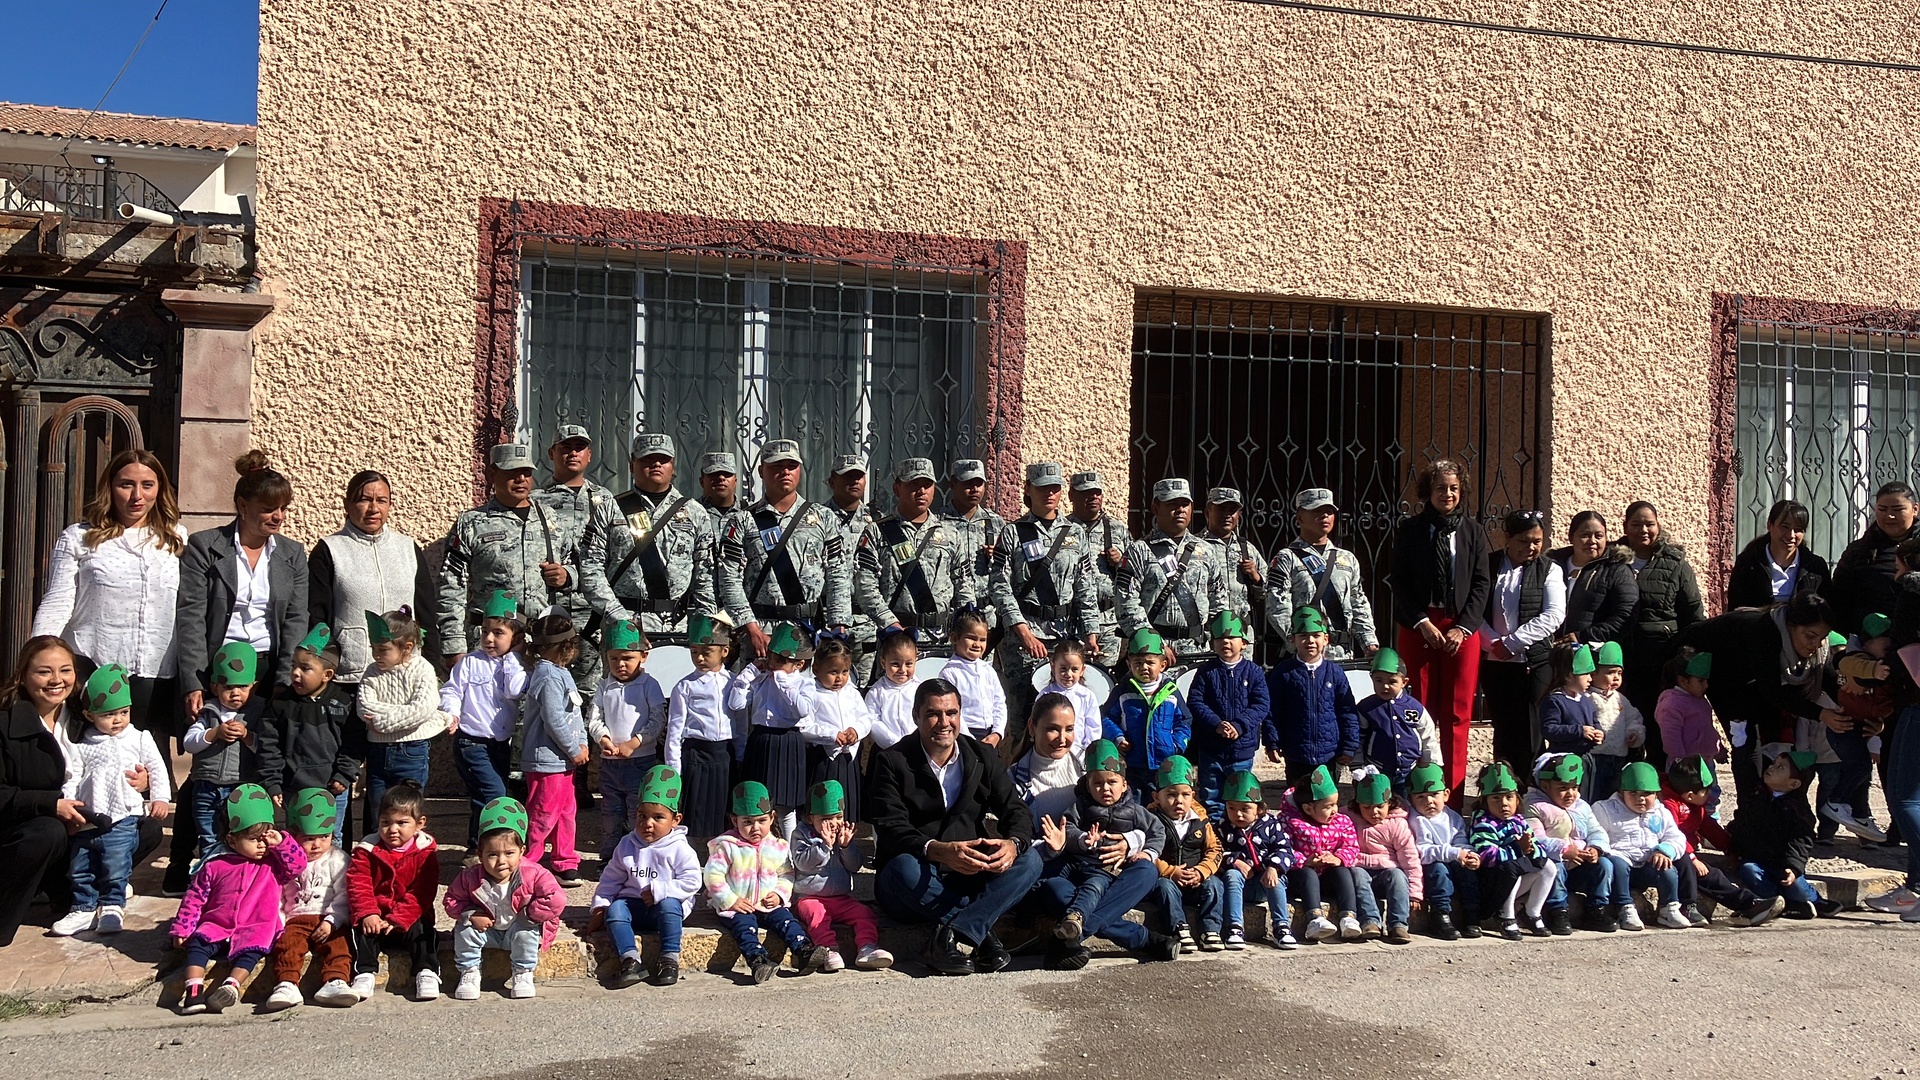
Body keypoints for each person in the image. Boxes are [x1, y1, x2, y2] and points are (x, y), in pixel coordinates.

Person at [173, 451, 309, 892]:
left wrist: (287, 678)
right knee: (208, 764)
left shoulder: (291, 554)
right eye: (269, 507)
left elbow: (295, 620)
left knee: (255, 759)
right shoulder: (204, 546)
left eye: (284, 507)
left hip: (267, 669)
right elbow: (191, 616)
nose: (278, 515)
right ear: (243, 505)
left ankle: (248, 861)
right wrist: (195, 680)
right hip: (219, 667)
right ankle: (184, 860)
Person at [866, 678, 1044, 977]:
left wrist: (1013, 843)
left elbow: (1015, 810)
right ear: (916, 717)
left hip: (970, 872)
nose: (943, 722)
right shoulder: (891, 760)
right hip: (916, 876)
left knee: (1031, 860)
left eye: (951, 713)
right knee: (902, 868)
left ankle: (954, 933)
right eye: (933, 714)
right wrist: (937, 851)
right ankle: (982, 934)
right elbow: (890, 827)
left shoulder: (982, 756)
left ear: (960, 714)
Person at [2, 638, 151, 944]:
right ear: (24, 675)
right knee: (47, 833)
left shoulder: (86, 714)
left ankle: (86, 892)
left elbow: (120, 751)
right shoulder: (6, 723)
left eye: (65, 670)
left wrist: (141, 778)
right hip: (25, 827)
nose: (56, 680)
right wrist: (51, 806)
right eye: (44, 672)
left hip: (81, 822)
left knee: (142, 828)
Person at [32, 448, 187, 743]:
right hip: (94, 664)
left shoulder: (177, 539)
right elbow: (57, 602)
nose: (136, 496)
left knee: (149, 764)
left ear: (160, 489)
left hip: (157, 672)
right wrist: (37, 659)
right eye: (126, 484)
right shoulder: (80, 537)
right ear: (110, 487)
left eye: (147, 485)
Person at [1013, 695, 1173, 967]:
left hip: (1110, 865)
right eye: (1052, 728)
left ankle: (1066, 940)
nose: (1061, 738)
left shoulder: (1087, 764)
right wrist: (1053, 847)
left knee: (1147, 871)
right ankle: (1142, 939)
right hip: (1060, 868)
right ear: (1032, 727)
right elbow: (1019, 844)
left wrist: (1129, 841)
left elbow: (1140, 819)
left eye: (1069, 729)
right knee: (1058, 893)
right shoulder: (1016, 780)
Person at [437, 442, 605, 668]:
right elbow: (451, 587)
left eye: (526, 473)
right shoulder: (471, 523)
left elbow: (580, 564)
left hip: (538, 645)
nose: (521, 479)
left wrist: (567, 575)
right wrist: (453, 647)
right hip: (488, 646)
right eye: (512, 473)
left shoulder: (550, 518)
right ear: (492, 474)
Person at [1675, 591, 1842, 812]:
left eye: (1822, 637)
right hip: (1713, 667)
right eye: (1810, 636)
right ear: (1792, 625)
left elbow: (1829, 679)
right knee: (1745, 741)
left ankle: (1771, 809)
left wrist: (1854, 710)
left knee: (1770, 740)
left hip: (1746, 675)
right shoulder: (1765, 630)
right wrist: (1821, 714)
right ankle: (1750, 813)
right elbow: (1772, 692)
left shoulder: (1817, 646)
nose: (1816, 644)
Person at [1389, 460, 1491, 793]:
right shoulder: (1411, 530)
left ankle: (1455, 795)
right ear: (1427, 492)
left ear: (1461, 491)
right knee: (1420, 709)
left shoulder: (1474, 532)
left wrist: (1463, 628)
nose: (1446, 494)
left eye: (1453, 488)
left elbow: (1480, 584)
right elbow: (1398, 581)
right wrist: (1420, 621)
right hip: (1419, 627)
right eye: (1439, 488)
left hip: (1460, 629)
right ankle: (1422, 791)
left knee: (1458, 712)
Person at [51, 664, 172, 936]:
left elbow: (157, 767)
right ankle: (82, 909)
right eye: (108, 714)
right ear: (89, 714)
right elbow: (72, 776)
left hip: (123, 816)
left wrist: (160, 797)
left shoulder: (140, 738)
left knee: (116, 864)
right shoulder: (82, 746)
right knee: (80, 866)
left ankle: (111, 907)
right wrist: (70, 802)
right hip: (89, 818)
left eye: (123, 712)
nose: (117, 719)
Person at [170, 784, 306, 1014]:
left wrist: (281, 841)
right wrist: (183, 928)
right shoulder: (215, 864)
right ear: (232, 841)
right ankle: (194, 991)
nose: (262, 845)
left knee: (253, 951)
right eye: (254, 840)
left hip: (256, 925)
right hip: (218, 923)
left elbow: (298, 864)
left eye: (265, 839)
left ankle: (231, 985)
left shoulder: (273, 863)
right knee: (198, 944)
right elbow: (195, 898)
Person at [306, 470, 438, 700]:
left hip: (408, 674)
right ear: (347, 504)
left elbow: (426, 613)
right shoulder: (329, 550)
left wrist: (436, 668)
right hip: (351, 679)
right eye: (364, 499)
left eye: (381, 500)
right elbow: (318, 617)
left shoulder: (408, 549)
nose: (373, 508)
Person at [718, 439, 854, 659]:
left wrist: (838, 627)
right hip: (762, 632)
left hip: (809, 631)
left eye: (791, 466)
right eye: (776, 467)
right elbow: (728, 578)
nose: (785, 472)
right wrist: (750, 628)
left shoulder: (823, 518)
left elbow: (837, 574)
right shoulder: (742, 521)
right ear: (761, 471)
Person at [536, 425, 627, 733]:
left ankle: (590, 773)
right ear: (552, 454)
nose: (572, 452)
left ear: (589, 455)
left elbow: (617, 559)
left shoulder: (606, 501)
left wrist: (571, 576)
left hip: (594, 617)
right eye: (565, 447)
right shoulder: (536, 502)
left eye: (579, 447)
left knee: (594, 697)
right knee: (549, 695)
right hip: (551, 616)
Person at [989, 462, 1097, 722]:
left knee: (1065, 716)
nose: (1049, 494)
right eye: (1042, 488)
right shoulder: (1013, 532)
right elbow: (999, 585)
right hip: (1024, 640)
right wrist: (1023, 632)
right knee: (1023, 717)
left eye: (1054, 488)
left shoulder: (1075, 533)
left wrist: (1091, 632)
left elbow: (1085, 584)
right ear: (1028, 489)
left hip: (1065, 637)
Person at [1036, 739, 1164, 947]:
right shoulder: (1081, 806)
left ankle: (1076, 926)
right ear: (1088, 784)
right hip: (1075, 865)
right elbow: (1067, 827)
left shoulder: (1135, 811)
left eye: (1111, 782)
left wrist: (1148, 853)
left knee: (1105, 883)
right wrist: (1083, 839)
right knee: (1052, 888)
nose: (1105, 788)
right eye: (1097, 783)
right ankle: (1143, 939)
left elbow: (1157, 831)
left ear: (1124, 785)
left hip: (1106, 871)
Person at [443, 797, 567, 1001]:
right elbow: (451, 899)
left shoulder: (534, 874)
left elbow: (556, 898)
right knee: (465, 929)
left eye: (509, 853)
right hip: (488, 932)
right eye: (492, 855)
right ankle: (469, 972)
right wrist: (471, 914)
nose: (501, 861)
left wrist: (529, 915)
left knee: (526, 933)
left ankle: (523, 973)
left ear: (522, 852)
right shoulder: (471, 877)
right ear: (480, 854)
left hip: (517, 930)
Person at [705, 780, 828, 983]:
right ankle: (758, 960)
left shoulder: (777, 846)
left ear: (772, 818)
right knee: (745, 928)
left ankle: (804, 951)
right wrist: (730, 900)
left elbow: (787, 874)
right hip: (738, 906)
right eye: (747, 822)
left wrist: (779, 895)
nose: (755, 828)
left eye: (762, 821)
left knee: (787, 921)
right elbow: (712, 876)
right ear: (735, 821)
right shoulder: (726, 847)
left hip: (767, 904)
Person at [855, 458, 974, 668]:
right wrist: (889, 624)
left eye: (927, 485)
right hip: (897, 640)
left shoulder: (950, 534)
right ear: (897, 488)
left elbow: (963, 584)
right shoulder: (878, 532)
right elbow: (865, 585)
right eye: (913, 484)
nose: (921, 491)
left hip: (941, 641)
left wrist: (966, 625)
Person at [593, 764, 702, 988]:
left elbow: (693, 881)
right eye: (642, 816)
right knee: (615, 910)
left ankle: (669, 959)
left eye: (658, 817)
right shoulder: (626, 845)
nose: (648, 823)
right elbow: (610, 880)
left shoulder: (680, 848)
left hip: (665, 909)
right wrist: (600, 906)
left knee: (670, 906)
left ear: (675, 820)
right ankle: (631, 960)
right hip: (634, 906)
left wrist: (660, 891)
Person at [604, 433, 718, 647]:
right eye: (647, 459)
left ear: (673, 466)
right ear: (632, 465)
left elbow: (705, 577)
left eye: (663, 459)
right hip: (624, 623)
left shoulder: (695, 512)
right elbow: (591, 568)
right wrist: (618, 617)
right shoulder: (611, 509)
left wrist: (704, 626)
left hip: (678, 626)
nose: (656, 464)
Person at [439, 592, 528, 852]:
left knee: (482, 798)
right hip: (471, 742)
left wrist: (513, 658)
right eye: (486, 631)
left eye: (498, 633)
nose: (489, 638)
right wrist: (452, 713)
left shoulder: (519, 665)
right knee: (495, 794)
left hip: (499, 744)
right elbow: (452, 690)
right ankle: (494, 845)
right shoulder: (469, 662)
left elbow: (514, 690)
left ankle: (476, 846)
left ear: (516, 639)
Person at [1617, 500, 1708, 756]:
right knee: (1626, 724)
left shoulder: (1675, 563)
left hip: (1662, 658)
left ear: (1658, 526)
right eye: (1636, 524)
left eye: (1649, 524)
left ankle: (1660, 785)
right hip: (1622, 658)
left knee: (1659, 726)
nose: (1643, 530)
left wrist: (1690, 656)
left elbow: (1692, 612)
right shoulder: (1612, 560)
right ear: (1625, 526)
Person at [255, 626, 359, 844]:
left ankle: (333, 878)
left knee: (331, 838)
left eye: (305, 668)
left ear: (327, 675)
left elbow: (354, 743)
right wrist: (273, 782)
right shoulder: (281, 705)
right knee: (295, 839)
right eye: (293, 666)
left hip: (332, 789)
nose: (295, 673)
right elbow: (268, 747)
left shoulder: (343, 703)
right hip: (293, 788)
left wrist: (344, 775)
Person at [1480, 510, 1566, 771]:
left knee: (1531, 728)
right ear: (1507, 538)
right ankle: (1504, 785)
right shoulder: (1487, 565)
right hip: (1495, 660)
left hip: (1534, 662)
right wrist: (1493, 642)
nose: (1531, 547)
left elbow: (1554, 615)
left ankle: (1531, 785)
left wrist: (1513, 643)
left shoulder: (1549, 569)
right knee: (1503, 725)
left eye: (1537, 541)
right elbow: (1472, 609)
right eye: (1524, 541)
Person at [357, 607, 453, 839]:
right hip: (379, 752)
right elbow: (364, 707)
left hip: (411, 753)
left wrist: (381, 721)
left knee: (407, 811)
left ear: (406, 648)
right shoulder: (372, 672)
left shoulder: (422, 670)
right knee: (378, 809)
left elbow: (423, 708)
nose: (376, 655)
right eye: (373, 649)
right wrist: (405, 714)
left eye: (383, 650)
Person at [263, 788, 357, 1010]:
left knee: (339, 943)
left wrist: (333, 920)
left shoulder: (338, 859)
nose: (317, 845)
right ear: (294, 837)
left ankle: (336, 981)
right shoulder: (285, 863)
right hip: (296, 918)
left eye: (325, 837)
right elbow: (277, 894)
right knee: (288, 945)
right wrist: (279, 921)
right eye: (309, 839)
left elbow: (345, 894)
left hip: (327, 917)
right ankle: (286, 983)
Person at [346, 782, 442, 1002]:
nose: (392, 829)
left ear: (420, 824)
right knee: (360, 930)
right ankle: (365, 972)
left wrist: (400, 918)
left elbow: (423, 891)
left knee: (424, 932)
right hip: (377, 918)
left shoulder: (425, 853)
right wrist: (368, 912)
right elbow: (358, 884)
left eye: (402, 823)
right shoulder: (367, 850)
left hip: (409, 918)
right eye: (385, 822)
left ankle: (426, 972)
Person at [1117, 478, 1228, 664]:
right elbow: (1126, 603)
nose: (1180, 510)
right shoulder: (1138, 551)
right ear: (1156, 508)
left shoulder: (1207, 551)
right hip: (1152, 654)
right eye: (1172, 504)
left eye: (1185, 504)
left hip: (1197, 651)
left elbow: (1219, 600)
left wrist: (1222, 639)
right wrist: (1153, 643)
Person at [790, 779, 892, 972]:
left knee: (865, 914)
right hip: (810, 897)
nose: (833, 824)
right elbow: (802, 862)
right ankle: (828, 950)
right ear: (811, 818)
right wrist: (824, 846)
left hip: (841, 898)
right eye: (825, 819)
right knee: (817, 916)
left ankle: (867, 947)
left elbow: (855, 866)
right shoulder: (802, 834)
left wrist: (846, 846)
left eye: (837, 817)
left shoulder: (842, 835)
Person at [1266, 488, 1378, 661]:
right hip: (1305, 655)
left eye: (1329, 512)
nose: (1325, 516)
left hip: (1342, 655)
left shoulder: (1347, 559)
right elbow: (1277, 606)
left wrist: (1369, 643)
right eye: (1317, 511)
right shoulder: (1286, 558)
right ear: (1300, 517)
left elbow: (1358, 602)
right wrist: (1296, 642)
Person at [521, 609, 590, 885]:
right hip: (547, 760)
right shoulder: (548, 677)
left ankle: (564, 859)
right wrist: (574, 749)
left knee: (565, 812)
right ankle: (530, 861)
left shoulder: (561, 673)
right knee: (542, 812)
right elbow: (553, 720)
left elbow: (574, 713)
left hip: (563, 762)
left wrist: (583, 743)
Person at [1660, 756, 1771, 927]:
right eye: (1706, 791)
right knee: (1709, 876)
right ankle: (1747, 904)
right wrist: (1692, 858)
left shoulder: (1694, 805)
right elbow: (1672, 834)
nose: (1709, 794)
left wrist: (1731, 848)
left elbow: (1709, 828)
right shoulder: (1668, 805)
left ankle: (1750, 904)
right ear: (1690, 795)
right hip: (1672, 853)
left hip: (1685, 852)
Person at [588, 619, 668, 857]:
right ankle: (609, 857)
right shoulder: (605, 686)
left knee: (638, 812)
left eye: (627, 658)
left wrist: (635, 742)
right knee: (610, 814)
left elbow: (657, 719)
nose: (620, 664)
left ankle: (638, 856)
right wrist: (603, 739)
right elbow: (594, 718)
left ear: (642, 656)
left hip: (640, 762)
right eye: (614, 659)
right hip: (610, 763)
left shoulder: (649, 685)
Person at [728, 623, 815, 836]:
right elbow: (736, 703)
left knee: (785, 806)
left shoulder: (804, 684)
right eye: (773, 656)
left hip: (787, 741)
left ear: (799, 664)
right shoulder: (761, 679)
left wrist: (783, 681)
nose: (774, 663)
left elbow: (802, 710)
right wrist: (749, 674)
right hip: (761, 739)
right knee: (757, 799)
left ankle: (790, 853)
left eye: (782, 660)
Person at [181, 642, 266, 858]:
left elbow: (265, 749)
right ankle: (210, 878)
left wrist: (247, 735)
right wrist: (214, 733)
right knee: (209, 837)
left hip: (241, 787)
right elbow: (189, 743)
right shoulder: (208, 712)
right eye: (228, 687)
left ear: (253, 686)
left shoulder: (258, 713)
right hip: (206, 787)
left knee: (241, 837)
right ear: (214, 687)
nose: (235, 693)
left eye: (243, 687)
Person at [1727, 748, 1831, 921]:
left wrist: (1794, 868)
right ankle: (1778, 903)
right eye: (1774, 764)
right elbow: (1743, 825)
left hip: (1783, 864)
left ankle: (1816, 901)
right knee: (1749, 871)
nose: (1772, 768)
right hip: (1757, 859)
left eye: (1780, 768)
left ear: (1793, 784)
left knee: (1796, 884)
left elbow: (1801, 841)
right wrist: (1734, 850)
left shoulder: (1797, 809)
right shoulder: (1756, 794)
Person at [1523, 753, 1623, 934]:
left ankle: (1596, 909)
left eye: (1575, 788)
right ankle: (1558, 911)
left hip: (1579, 863)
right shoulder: (1534, 807)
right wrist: (1564, 850)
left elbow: (1596, 830)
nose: (1571, 794)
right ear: (1545, 786)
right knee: (1556, 867)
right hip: (1557, 860)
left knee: (1604, 865)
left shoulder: (1581, 807)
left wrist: (1595, 848)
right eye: (1562, 788)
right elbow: (1536, 838)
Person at [1186, 610, 1271, 820]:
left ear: (1243, 642)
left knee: (1239, 797)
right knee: (1211, 795)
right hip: (1211, 749)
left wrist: (1239, 725)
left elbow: (1261, 704)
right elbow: (1196, 702)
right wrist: (1216, 724)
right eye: (1220, 638)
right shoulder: (1206, 672)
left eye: (1231, 637)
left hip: (1241, 750)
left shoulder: (1254, 672)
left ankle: (1237, 836)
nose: (1226, 642)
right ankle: (1215, 835)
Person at [1262, 607, 1360, 785]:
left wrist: (1350, 745)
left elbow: (1347, 711)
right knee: (1298, 801)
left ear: (1326, 639)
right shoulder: (1283, 673)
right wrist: (1272, 742)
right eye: (1303, 636)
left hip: (1329, 752)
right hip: (1296, 752)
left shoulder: (1335, 673)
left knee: (1326, 803)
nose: (1310, 641)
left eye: (1316, 635)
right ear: (1293, 640)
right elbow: (1272, 711)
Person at [1592, 761, 1692, 930]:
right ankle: (1625, 907)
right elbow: (1597, 835)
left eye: (1647, 794)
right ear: (1621, 792)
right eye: (1633, 793)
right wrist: (1607, 852)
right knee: (1617, 863)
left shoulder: (1661, 812)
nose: (1640, 799)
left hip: (1647, 863)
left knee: (1668, 870)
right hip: (1621, 863)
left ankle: (1669, 908)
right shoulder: (1605, 809)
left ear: (1656, 794)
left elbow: (1676, 837)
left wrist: (1664, 850)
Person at [661, 615, 735, 840]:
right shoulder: (685, 686)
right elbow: (675, 729)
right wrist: (674, 767)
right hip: (696, 754)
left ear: (724, 650)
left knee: (721, 808)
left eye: (706, 652)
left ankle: (720, 856)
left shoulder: (733, 682)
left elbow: (738, 721)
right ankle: (689, 854)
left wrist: (739, 752)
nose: (699, 658)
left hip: (723, 754)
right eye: (694, 652)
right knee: (695, 808)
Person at [1469, 762, 1557, 940]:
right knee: (1512, 866)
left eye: (1509, 797)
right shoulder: (1483, 823)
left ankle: (1532, 912)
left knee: (1548, 866)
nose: (1504, 804)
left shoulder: (1519, 821)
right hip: (1492, 883)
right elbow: (1487, 856)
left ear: (1517, 799)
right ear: (1484, 800)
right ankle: (1505, 915)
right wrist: (1518, 848)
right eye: (1496, 798)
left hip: (1512, 881)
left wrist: (1531, 850)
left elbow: (1537, 847)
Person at [1146, 755, 1224, 951]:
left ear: (1193, 795)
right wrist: (1171, 871)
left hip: (1195, 880)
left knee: (1215, 884)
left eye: (1185, 795)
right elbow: (1145, 853)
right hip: (1168, 880)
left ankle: (1210, 930)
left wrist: (1201, 871)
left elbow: (1215, 849)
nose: (1179, 801)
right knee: (1164, 887)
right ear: (1157, 797)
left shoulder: (1200, 820)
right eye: (1171, 795)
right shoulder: (1151, 820)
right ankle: (1179, 929)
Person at [1103, 629, 1192, 798]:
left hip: (1164, 765)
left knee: (1161, 805)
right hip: (1133, 764)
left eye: (1150, 663)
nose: (1143, 667)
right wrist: (1118, 738)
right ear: (1129, 664)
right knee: (1134, 806)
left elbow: (1184, 720)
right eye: (1137, 663)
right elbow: (1106, 717)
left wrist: (1177, 745)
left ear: (1162, 664)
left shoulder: (1170, 692)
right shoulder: (1122, 692)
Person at [1281, 764, 1364, 942]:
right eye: (1328, 806)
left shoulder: (1342, 821)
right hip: (1299, 877)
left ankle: (1348, 917)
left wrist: (1338, 858)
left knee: (1342, 872)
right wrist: (1305, 861)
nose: (1335, 810)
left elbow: (1351, 846)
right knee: (1307, 874)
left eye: (1336, 804)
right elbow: (1283, 849)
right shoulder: (1289, 821)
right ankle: (1315, 918)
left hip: (1326, 876)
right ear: (1308, 808)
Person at [1216, 769, 1296, 948]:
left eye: (1245, 809)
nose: (1238, 814)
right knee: (1232, 875)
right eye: (1231, 808)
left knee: (1278, 879)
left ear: (1259, 809)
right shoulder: (1222, 827)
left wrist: (1273, 867)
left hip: (1264, 884)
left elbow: (1285, 850)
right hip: (1237, 887)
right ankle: (1234, 927)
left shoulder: (1271, 825)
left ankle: (1281, 926)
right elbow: (1215, 852)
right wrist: (1234, 861)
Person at [1830, 481, 1920, 634]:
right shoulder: (1858, 551)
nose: (1890, 516)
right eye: (1882, 509)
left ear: (1915, 510)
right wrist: (1867, 633)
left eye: (1898, 509)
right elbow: (1840, 603)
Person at [1066, 470, 1134, 669]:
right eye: (1086, 493)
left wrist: (1120, 562)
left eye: (1097, 493)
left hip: (1108, 622)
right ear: (1072, 496)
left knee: (1104, 679)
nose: (1093, 497)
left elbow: (1137, 575)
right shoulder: (1063, 529)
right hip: (1072, 622)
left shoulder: (1117, 529)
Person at [1405, 761, 1480, 939]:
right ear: (1411, 800)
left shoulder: (1452, 817)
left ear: (1445, 795)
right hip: (1429, 865)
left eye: (1434, 795)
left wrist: (1469, 854)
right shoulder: (1416, 820)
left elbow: (1460, 840)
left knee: (1468, 873)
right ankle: (1441, 914)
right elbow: (1422, 852)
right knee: (1439, 871)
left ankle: (1472, 913)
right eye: (1421, 797)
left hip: (1454, 859)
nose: (1428, 801)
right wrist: (1453, 853)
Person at [799, 638, 870, 825]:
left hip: (848, 761)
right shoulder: (811, 692)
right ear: (816, 670)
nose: (840, 678)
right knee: (824, 807)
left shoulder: (852, 693)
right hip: (822, 759)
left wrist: (856, 731)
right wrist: (831, 735)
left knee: (847, 809)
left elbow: (865, 718)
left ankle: (846, 847)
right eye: (833, 672)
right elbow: (804, 727)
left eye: (845, 672)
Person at [941, 458, 1007, 650]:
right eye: (968, 484)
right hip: (952, 617)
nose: (974, 489)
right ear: (953, 484)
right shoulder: (939, 523)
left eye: (979, 484)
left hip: (987, 617)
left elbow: (1010, 572)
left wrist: (997, 558)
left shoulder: (996, 523)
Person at [1354, 648, 1441, 793]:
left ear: (1404, 682)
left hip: (1409, 772)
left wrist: (1432, 765)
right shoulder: (1366, 708)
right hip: (1377, 770)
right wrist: (1357, 766)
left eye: (1392, 681)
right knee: (1377, 805)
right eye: (1379, 680)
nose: (1385, 686)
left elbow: (1428, 736)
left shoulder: (1414, 708)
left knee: (1406, 808)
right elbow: (1358, 738)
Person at [824, 454, 879, 682]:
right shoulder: (816, 518)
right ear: (832, 481)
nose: (854, 482)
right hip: (829, 623)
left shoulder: (877, 521)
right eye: (847, 477)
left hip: (867, 622)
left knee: (866, 691)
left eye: (859, 477)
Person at [1347, 770, 1418, 944]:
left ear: (1390, 803)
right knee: (1357, 874)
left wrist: (1415, 893)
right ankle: (1370, 921)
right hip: (1360, 869)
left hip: (1386, 871)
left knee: (1398, 876)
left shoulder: (1397, 824)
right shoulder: (1348, 818)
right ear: (1358, 805)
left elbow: (1410, 858)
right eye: (1367, 808)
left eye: (1380, 806)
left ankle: (1398, 924)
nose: (1374, 812)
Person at [1549, 511, 1638, 648]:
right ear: (1571, 537)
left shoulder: (1616, 570)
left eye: (1599, 536)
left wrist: (1583, 636)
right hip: (1550, 653)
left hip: (1593, 654)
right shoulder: (1552, 566)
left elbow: (1625, 616)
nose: (1592, 541)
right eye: (1585, 535)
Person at [1727, 499, 1830, 610]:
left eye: (1798, 530)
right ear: (1770, 525)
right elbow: (1735, 612)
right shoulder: (1748, 565)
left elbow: (1827, 614)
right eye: (1785, 527)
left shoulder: (1816, 568)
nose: (1791, 535)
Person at [1197, 487, 1265, 648]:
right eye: (1221, 509)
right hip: (1207, 636)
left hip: (1240, 636)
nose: (1227, 515)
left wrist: (1256, 577)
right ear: (1208, 512)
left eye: (1232, 510)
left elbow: (1268, 593)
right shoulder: (1195, 547)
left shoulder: (1247, 549)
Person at [1654, 649, 1723, 801]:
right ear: (1683, 681)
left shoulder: (1699, 700)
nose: (1705, 685)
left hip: (1705, 762)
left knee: (1710, 796)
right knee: (1686, 800)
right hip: (1686, 767)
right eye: (1700, 681)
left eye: (1706, 680)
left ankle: (1710, 823)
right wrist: (1680, 760)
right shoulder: (1672, 703)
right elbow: (1670, 735)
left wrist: (1718, 748)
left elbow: (1706, 727)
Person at [1584, 641, 1646, 801]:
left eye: (1619, 673)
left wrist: (1633, 733)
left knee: (1613, 797)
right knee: (1593, 796)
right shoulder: (1587, 698)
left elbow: (1634, 719)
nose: (1616, 677)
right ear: (1593, 674)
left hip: (1618, 758)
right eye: (1611, 672)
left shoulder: (1620, 699)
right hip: (1594, 758)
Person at [941, 608, 1007, 747]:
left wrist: (997, 733)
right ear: (954, 638)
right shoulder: (950, 673)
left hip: (990, 735)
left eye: (982, 640)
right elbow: (952, 711)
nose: (977, 644)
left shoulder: (988, 670)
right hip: (964, 736)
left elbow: (999, 703)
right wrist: (969, 739)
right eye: (971, 638)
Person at [696, 452, 751, 611]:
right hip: (699, 608)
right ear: (702, 481)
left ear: (735, 480)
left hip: (744, 610)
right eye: (713, 474)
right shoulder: (690, 515)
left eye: (726, 474)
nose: (721, 478)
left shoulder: (751, 516)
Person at [1037, 639, 1100, 756]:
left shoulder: (1087, 696)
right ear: (1053, 667)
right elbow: (1038, 726)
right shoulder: (1045, 695)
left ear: (1082, 670)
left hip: (1079, 755)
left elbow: (1093, 728)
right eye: (1063, 669)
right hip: (1051, 753)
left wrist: (1086, 753)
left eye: (1074, 669)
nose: (1068, 674)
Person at [865, 629, 925, 751]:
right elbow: (873, 721)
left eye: (908, 664)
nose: (902, 670)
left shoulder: (921, 689)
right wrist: (894, 742)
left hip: (917, 748)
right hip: (886, 750)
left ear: (915, 661)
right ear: (883, 663)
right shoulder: (876, 692)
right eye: (895, 664)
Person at [1537, 644, 1599, 759]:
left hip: (1586, 758)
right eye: (1585, 674)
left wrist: (1599, 732)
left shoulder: (1585, 700)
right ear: (1568, 676)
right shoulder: (1554, 701)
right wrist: (1579, 731)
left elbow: (1594, 721)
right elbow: (1549, 729)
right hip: (1564, 761)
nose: (1590, 679)